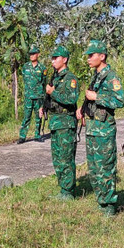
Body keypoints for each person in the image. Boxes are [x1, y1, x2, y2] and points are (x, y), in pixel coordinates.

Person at [78, 40, 124, 215]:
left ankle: (110, 205)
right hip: (92, 128)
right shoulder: (96, 76)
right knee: (94, 168)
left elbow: (119, 100)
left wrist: (96, 96)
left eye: (92, 55)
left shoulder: (111, 77)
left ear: (102, 56)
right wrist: (82, 110)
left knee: (106, 167)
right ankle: (101, 200)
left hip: (104, 129)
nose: (89, 59)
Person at [39, 46, 79, 199]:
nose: (53, 60)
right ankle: (63, 188)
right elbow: (50, 98)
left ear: (65, 59)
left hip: (65, 122)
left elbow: (71, 99)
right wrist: (44, 107)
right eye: (52, 58)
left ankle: (68, 191)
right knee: (57, 158)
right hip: (56, 122)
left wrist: (52, 92)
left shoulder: (70, 78)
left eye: (56, 58)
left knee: (66, 157)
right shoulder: (55, 78)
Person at [18, 44, 47, 144]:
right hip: (28, 97)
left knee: (38, 116)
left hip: (38, 96)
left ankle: (37, 135)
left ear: (37, 54)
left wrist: (43, 99)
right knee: (26, 117)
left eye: (33, 54)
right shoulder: (25, 67)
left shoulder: (42, 68)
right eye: (30, 54)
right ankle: (22, 136)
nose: (31, 55)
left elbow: (44, 83)